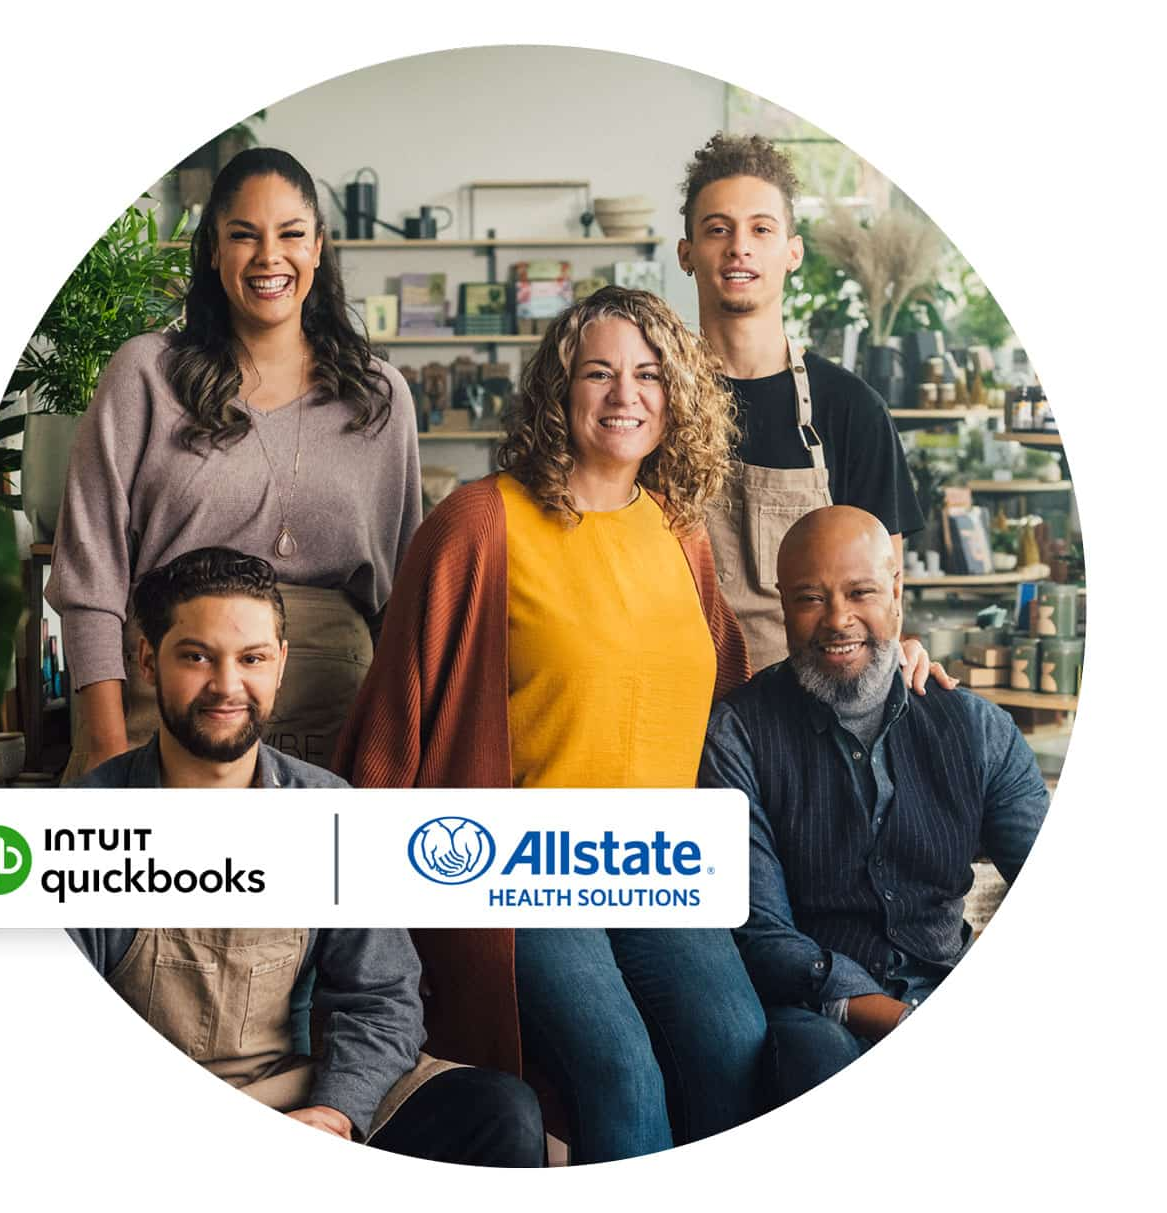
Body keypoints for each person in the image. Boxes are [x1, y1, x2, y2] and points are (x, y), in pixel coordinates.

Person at [336, 287, 766, 1163]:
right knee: (620, 1067)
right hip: (524, 859)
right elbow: (396, 710)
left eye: (647, 374)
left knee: (737, 1041)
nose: (624, 395)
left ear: (676, 393)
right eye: (598, 372)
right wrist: (364, 891)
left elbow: (730, 700)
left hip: (657, 858)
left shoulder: (680, 536)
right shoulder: (479, 522)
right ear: (557, 390)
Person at [69, 546, 544, 1166]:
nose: (227, 686)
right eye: (196, 657)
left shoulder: (327, 808)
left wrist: (335, 1110)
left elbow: (381, 996)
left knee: (497, 1113)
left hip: (290, 1089)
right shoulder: (85, 823)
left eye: (252, 659)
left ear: (281, 665)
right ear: (147, 662)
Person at [47, 146, 421, 780]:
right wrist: (107, 743)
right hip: (160, 708)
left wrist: (397, 756)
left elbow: (405, 602)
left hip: (336, 717)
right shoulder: (147, 375)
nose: (269, 256)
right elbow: (91, 573)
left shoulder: (379, 396)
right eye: (243, 235)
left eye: (291, 235)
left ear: (319, 247)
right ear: (213, 251)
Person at [698, 506, 1048, 1110]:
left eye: (860, 592)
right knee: (817, 1062)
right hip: (813, 1013)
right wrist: (900, 1022)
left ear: (896, 594)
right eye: (811, 598)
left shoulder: (977, 729)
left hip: (945, 985)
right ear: (782, 604)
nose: (838, 620)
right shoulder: (739, 733)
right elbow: (761, 930)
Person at [678, 132, 952, 690]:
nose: (739, 248)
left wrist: (902, 648)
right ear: (687, 254)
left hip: (808, 715)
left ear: (792, 252)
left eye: (761, 229)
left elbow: (884, 591)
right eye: (717, 229)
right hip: (674, 700)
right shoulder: (651, 400)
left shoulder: (851, 409)